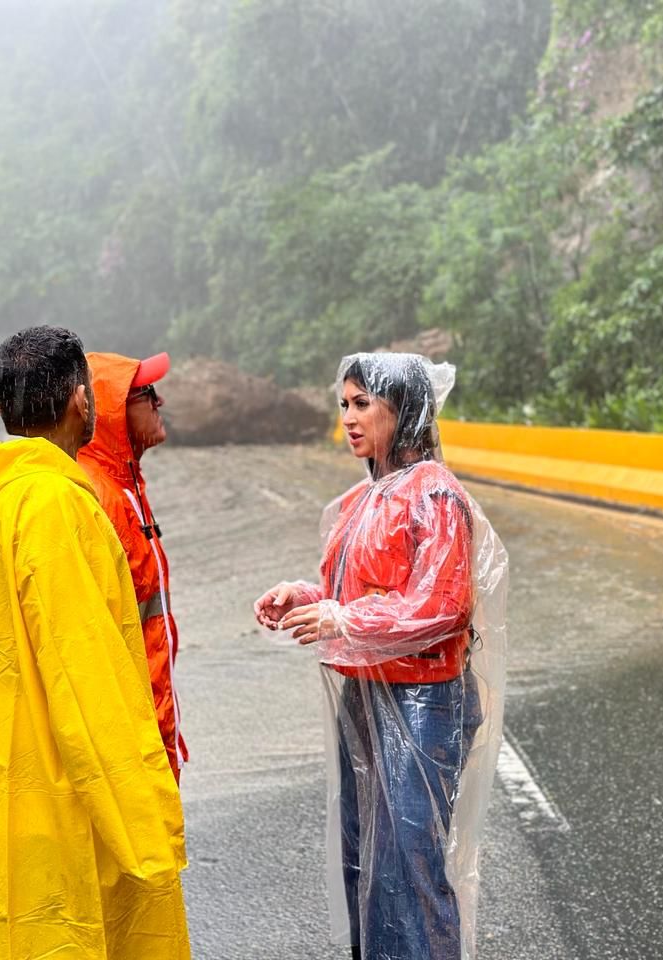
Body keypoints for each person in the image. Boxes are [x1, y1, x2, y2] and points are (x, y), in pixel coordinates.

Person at [0, 326, 190, 960]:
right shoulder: (55, 507)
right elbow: (87, 677)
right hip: (60, 794)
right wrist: (148, 822)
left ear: (3, 409)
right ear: (83, 401)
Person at [253, 353, 508, 960]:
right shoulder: (365, 498)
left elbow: (441, 606)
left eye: (363, 404)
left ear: (406, 409)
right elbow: (364, 594)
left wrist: (342, 618)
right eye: (344, 404)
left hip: (422, 705)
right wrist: (307, 598)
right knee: (364, 862)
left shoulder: (434, 495)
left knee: (406, 872)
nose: (349, 418)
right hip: (366, 699)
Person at [78, 351, 187, 781]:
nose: (159, 402)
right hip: (132, 738)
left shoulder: (126, 486)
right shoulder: (99, 497)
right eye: (146, 394)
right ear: (111, 411)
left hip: (152, 721)